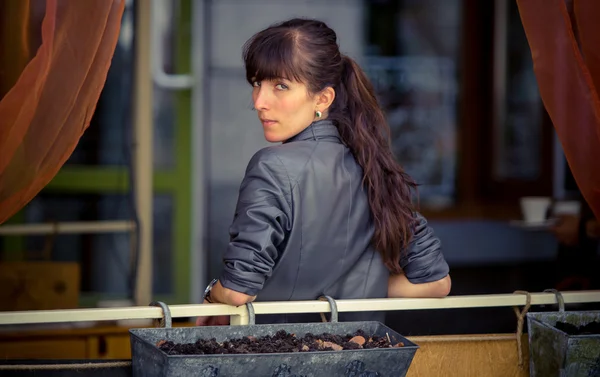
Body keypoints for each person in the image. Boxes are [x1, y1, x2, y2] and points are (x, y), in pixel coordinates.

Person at [196, 18, 451, 326]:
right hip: (361, 357)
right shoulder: (371, 165)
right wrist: (355, 291)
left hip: (279, 357)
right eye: (256, 83)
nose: (259, 102)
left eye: (280, 86)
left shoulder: (271, 167)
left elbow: (238, 291)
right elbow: (436, 283)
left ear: (323, 98)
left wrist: (212, 296)